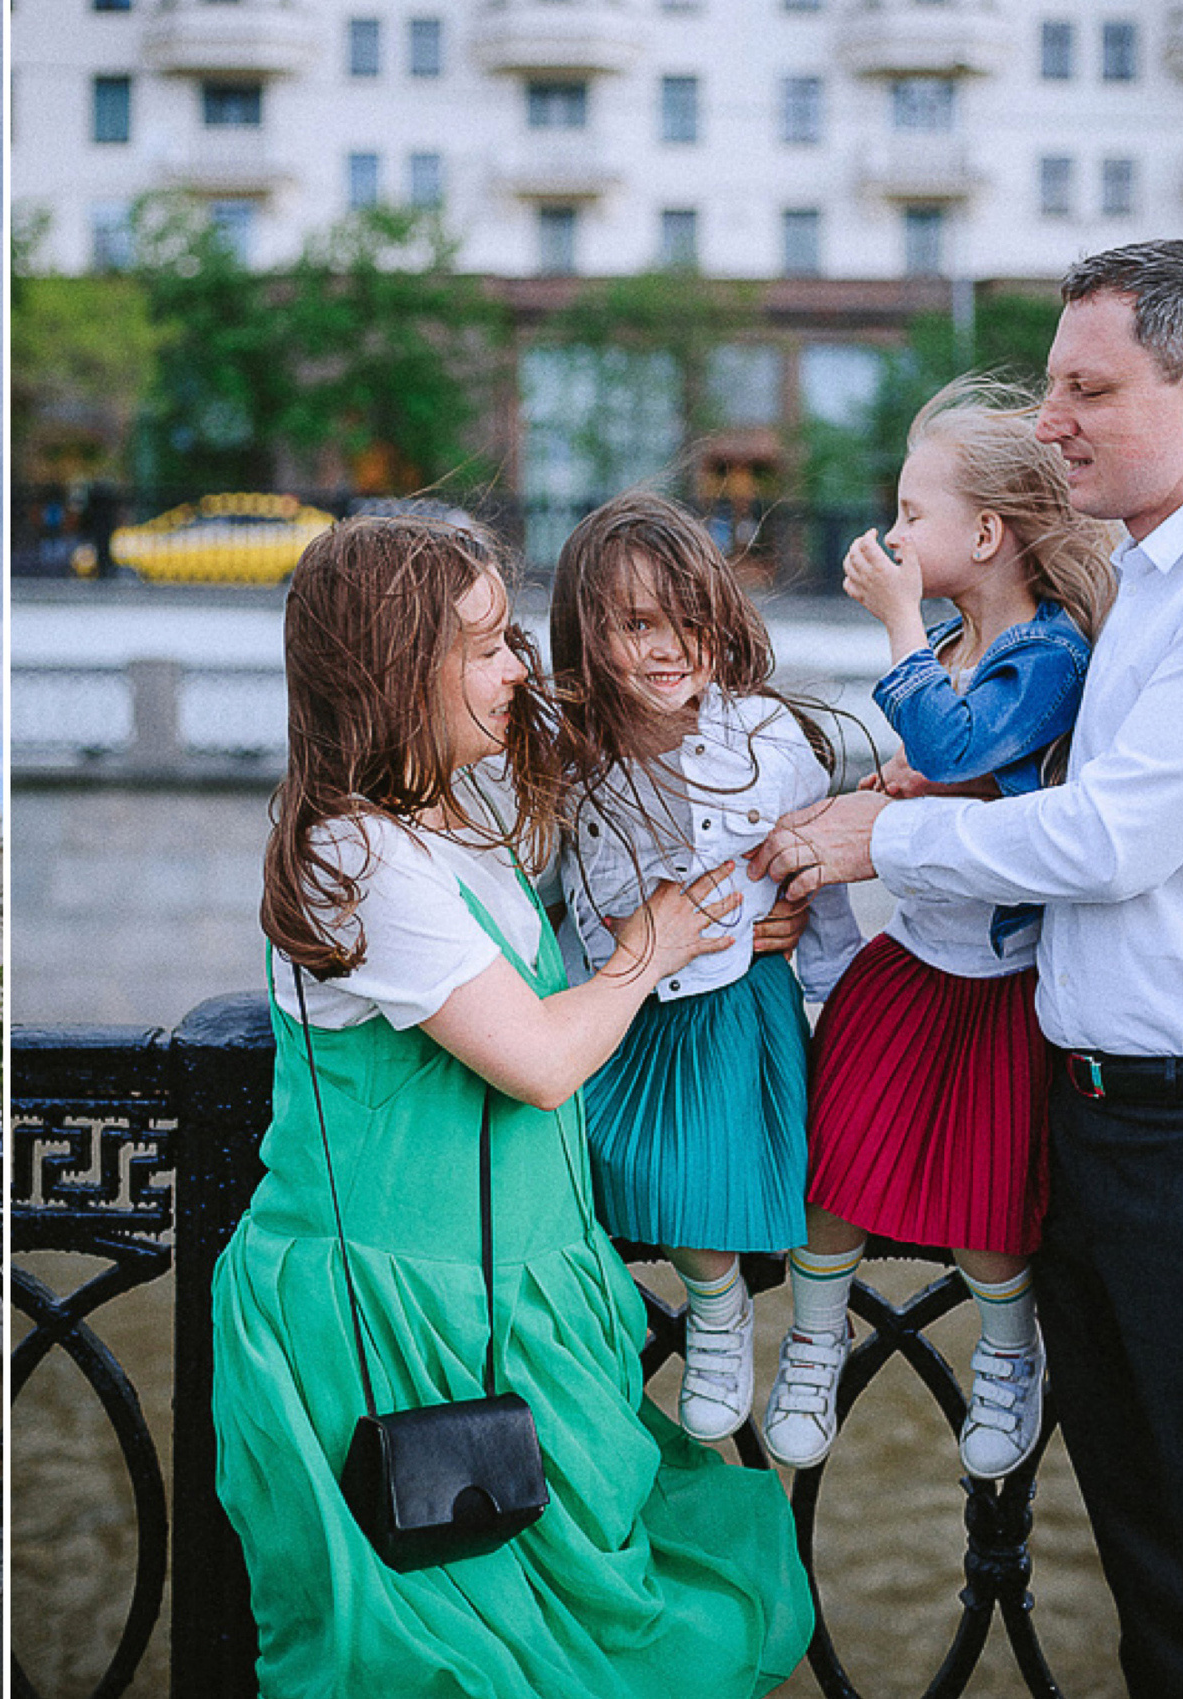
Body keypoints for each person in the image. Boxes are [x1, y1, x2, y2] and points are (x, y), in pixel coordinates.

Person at [750, 238, 1183, 1699]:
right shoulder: (1147, 578)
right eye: (1053, 383)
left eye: (1086, 387)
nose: (1050, 420)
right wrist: (933, 811)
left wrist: (882, 842)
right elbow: (1043, 789)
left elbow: (1112, 838)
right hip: (1103, 1116)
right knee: (1151, 1550)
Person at [212, 517, 813, 1698]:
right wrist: (653, 950)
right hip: (397, 1323)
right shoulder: (361, 855)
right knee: (457, 1654)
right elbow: (538, 1057)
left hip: (504, 1300)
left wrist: (737, 924)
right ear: (400, 671)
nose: (520, 669)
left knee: (579, 1629)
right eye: (487, 648)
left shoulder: (458, 820)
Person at [764, 378, 1117, 1481]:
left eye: (913, 515)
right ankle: (814, 1345)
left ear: (984, 530)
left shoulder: (1048, 653)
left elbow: (967, 745)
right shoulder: (969, 638)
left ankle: (1005, 1360)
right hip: (912, 961)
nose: (895, 533)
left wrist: (894, 620)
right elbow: (956, 762)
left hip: (1003, 982)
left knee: (992, 1199)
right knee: (836, 1164)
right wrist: (904, 780)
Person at [548, 493, 861, 1444]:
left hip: (743, 1008)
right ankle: (715, 1310)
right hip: (634, 1011)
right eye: (638, 624)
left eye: (692, 620)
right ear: (586, 635)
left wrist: (834, 981)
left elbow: (823, 878)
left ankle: (813, 1336)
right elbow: (556, 912)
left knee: (779, 1153)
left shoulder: (766, 741)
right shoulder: (572, 768)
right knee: (624, 1158)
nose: (670, 647)